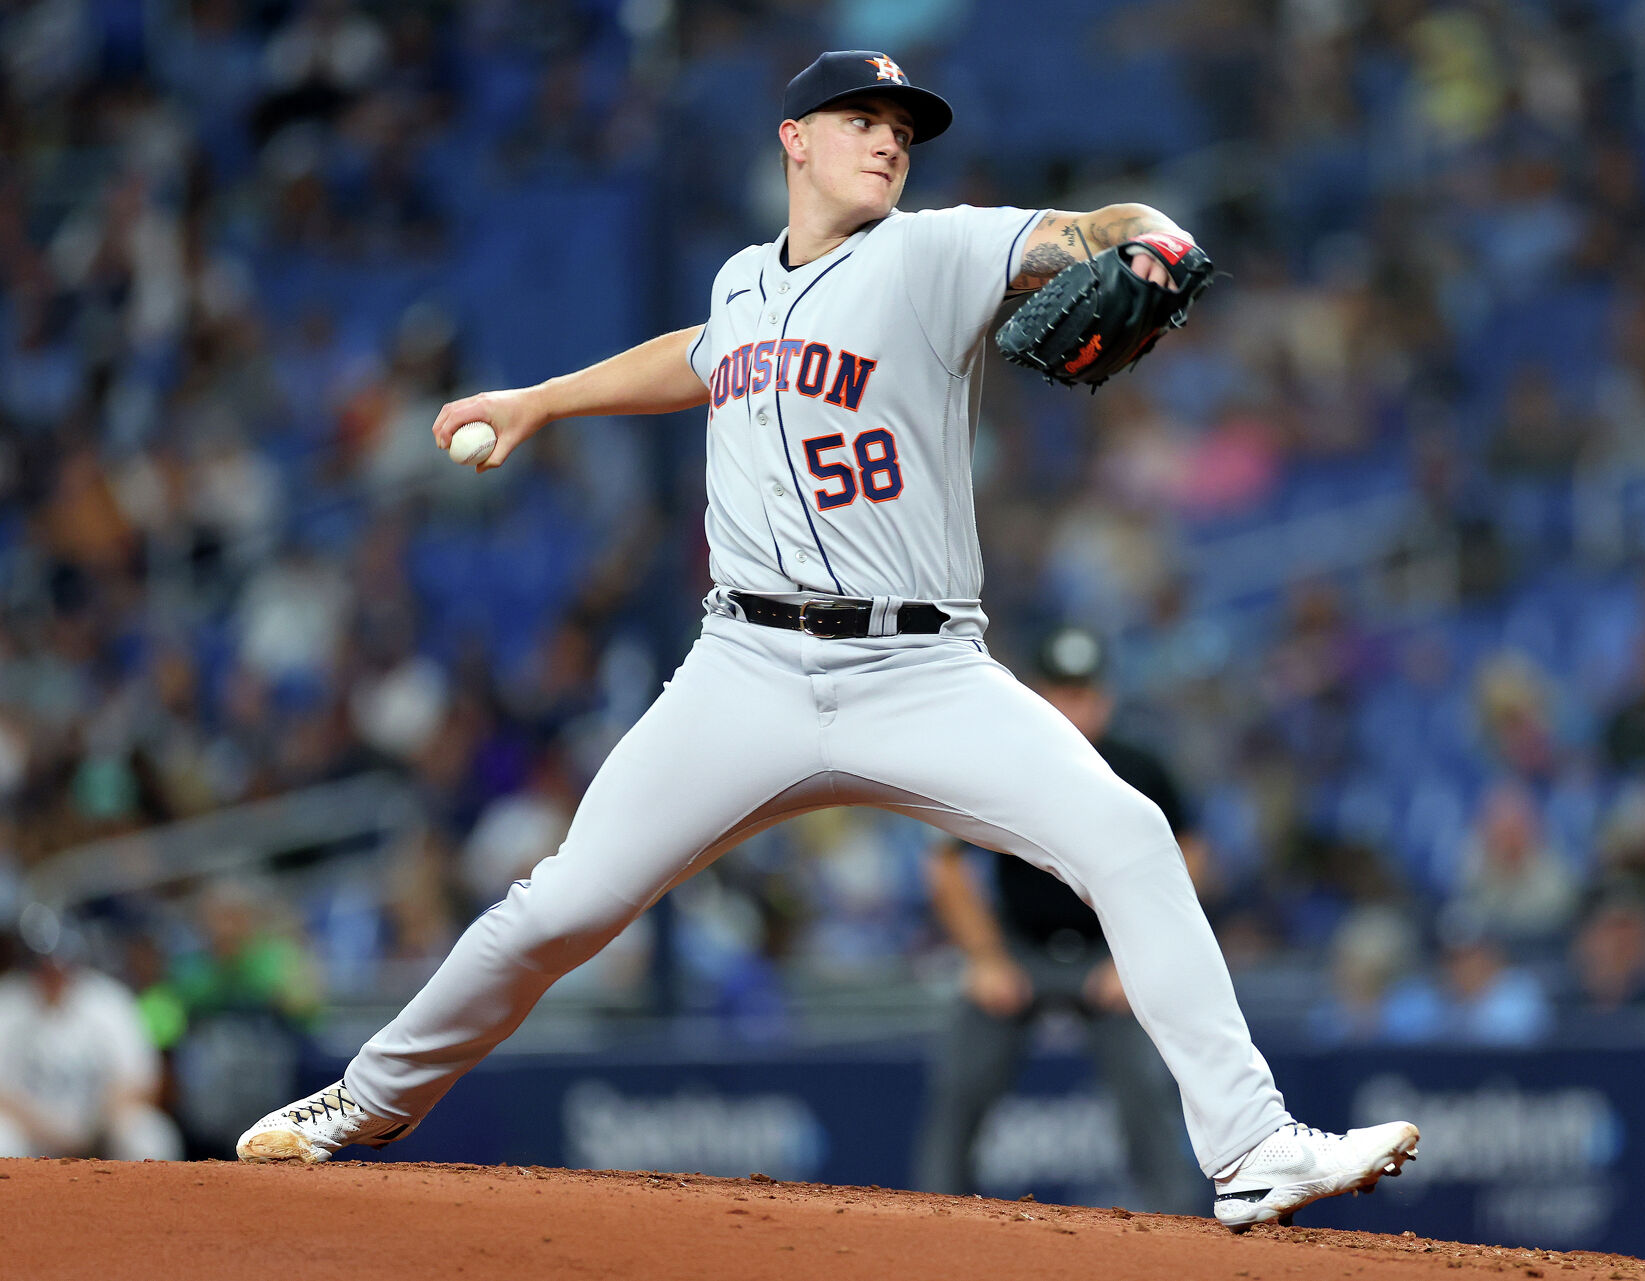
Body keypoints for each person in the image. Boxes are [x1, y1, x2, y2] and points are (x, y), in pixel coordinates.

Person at [233, 50, 1418, 1230]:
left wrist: (1147, 235)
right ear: (794, 139)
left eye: (903, 126)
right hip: (742, 671)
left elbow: (1081, 229)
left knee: (1127, 834)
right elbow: (701, 357)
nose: (890, 140)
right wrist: (540, 400)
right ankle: (366, 1102)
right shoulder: (745, 281)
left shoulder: (932, 251)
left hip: (920, 669)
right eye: (860, 118)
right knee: (560, 909)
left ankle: (1253, 1145)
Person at [915, 627, 1210, 1214]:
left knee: (1148, 1092)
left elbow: (1192, 858)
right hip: (1020, 951)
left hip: (1114, 956)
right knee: (960, 1085)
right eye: (1062, 691)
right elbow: (944, 866)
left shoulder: (1140, 767)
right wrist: (986, 958)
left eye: (1086, 691)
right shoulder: (1005, 765)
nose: (1076, 706)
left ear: (1107, 695)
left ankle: (1180, 1227)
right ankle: (935, 1219)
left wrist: (1145, 957)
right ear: (1040, 695)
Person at [0, 905, 182, 1160]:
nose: (52, 970)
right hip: (30, 1133)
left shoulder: (109, 1000)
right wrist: (51, 1134)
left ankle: (150, 1201)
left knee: (147, 1134)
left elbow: (141, 1081)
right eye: (43, 964)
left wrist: (96, 1127)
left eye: (59, 962)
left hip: (99, 1131)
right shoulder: (8, 1002)